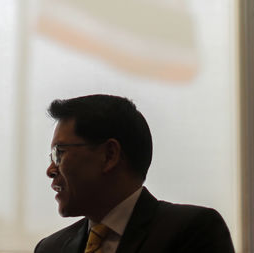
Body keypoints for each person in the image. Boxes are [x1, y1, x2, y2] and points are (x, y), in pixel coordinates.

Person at [35, 94, 235, 253]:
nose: (50, 170)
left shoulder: (192, 231)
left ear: (109, 155)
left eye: (59, 153)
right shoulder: (50, 248)